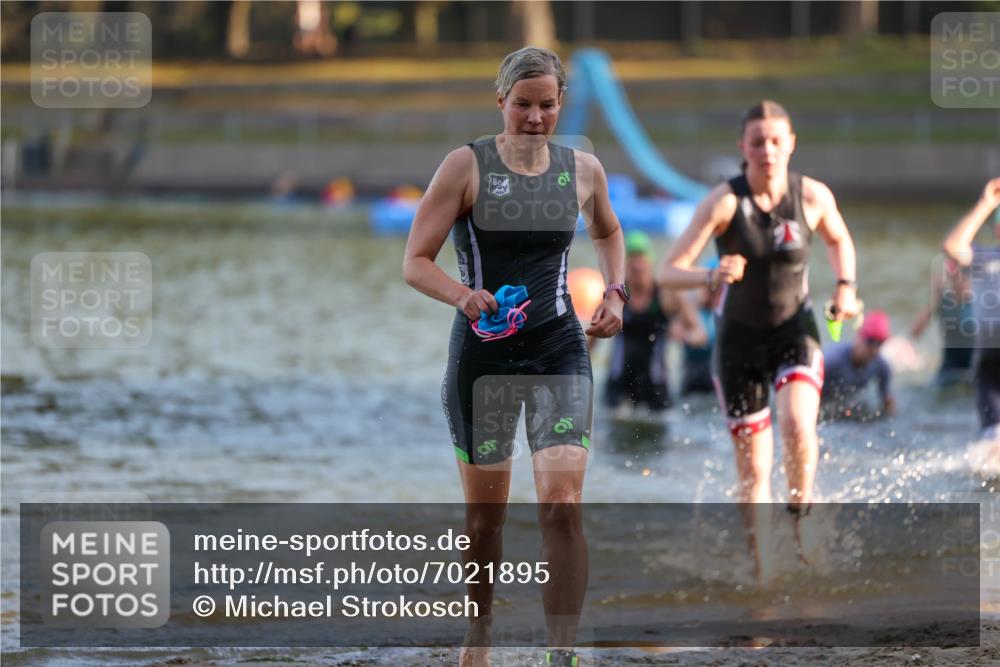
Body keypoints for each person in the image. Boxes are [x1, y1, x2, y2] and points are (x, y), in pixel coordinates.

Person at [402, 47, 625, 667]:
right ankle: (480, 634)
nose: (534, 116)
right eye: (522, 104)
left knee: (562, 504)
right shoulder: (464, 167)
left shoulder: (582, 170)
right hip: (483, 357)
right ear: (500, 101)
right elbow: (414, 261)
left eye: (546, 104)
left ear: (559, 104)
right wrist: (463, 295)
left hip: (559, 347)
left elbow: (608, 231)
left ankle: (563, 654)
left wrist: (616, 291)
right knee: (485, 523)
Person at [657, 100, 860, 577]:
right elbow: (669, 272)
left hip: (796, 329)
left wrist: (846, 288)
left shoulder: (811, 196)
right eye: (756, 142)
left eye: (775, 141)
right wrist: (711, 272)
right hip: (738, 343)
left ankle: (802, 519)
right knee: (752, 472)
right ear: (742, 148)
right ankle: (762, 571)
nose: (766, 150)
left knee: (795, 424)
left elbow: (838, 240)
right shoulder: (724, 202)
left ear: (790, 144)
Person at [597, 230, 705, 416]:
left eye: (642, 258)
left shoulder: (667, 295)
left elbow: (700, 335)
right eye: (633, 259)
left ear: (650, 261)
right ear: (625, 264)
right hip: (618, 387)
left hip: (656, 387)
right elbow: (590, 339)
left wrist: (683, 335)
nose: (638, 265)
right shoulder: (615, 297)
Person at [943, 177, 1000, 440]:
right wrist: (985, 204)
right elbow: (953, 247)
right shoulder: (984, 258)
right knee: (993, 435)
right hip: (990, 356)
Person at [910, 258, 975, 388]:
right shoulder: (943, 300)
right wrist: (935, 298)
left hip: (975, 368)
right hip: (949, 368)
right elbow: (915, 332)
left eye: (964, 275)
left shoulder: (982, 304)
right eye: (954, 275)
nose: (959, 280)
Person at [821, 310, 896, 419]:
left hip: (842, 406)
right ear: (859, 338)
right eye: (871, 341)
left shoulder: (881, 366)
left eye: (880, 343)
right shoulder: (832, 360)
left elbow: (888, 402)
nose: (874, 350)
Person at [680, 258, 721, 396]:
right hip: (692, 382)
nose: (713, 291)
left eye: (718, 287)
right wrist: (689, 336)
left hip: (716, 383)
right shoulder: (691, 311)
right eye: (710, 286)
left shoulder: (727, 314)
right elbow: (674, 330)